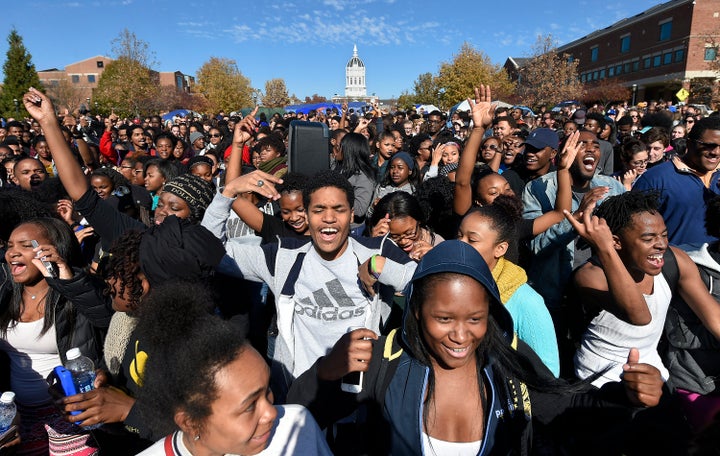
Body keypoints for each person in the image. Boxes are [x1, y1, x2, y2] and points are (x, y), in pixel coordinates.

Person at [288, 241, 677, 455]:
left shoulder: (507, 357)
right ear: (416, 311)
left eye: (474, 319)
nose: (461, 336)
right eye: (444, 319)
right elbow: (297, 418)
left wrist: (626, 398)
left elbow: (567, 408)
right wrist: (326, 371)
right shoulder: (382, 361)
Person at [201, 169, 416, 400]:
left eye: (338, 209)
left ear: (352, 215)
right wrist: (228, 192)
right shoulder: (283, 257)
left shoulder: (377, 250)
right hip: (299, 397)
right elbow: (209, 251)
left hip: (359, 402)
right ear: (308, 214)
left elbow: (426, 282)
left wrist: (378, 265)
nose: (329, 218)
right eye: (319, 210)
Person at [134, 283, 332, 456]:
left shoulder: (297, 425)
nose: (271, 413)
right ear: (190, 422)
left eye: (268, 390)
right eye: (250, 406)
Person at [566, 192, 720, 388]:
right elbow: (639, 316)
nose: (662, 244)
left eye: (664, 235)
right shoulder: (591, 276)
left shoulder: (676, 261)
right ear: (616, 241)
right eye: (648, 239)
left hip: (654, 377)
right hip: (599, 384)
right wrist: (605, 249)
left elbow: (715, 318)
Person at [0, 218, 112, 454]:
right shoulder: (4, 294)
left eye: (25, 245)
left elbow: (105, 318)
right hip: (17, 416)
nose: (13, 253)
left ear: (52, 250)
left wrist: (66, 279)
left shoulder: (78, 289)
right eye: (10, 246)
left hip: (70, 413)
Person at [633, 116, 720, 245]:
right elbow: (633, 231)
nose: (716, 152)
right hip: (673, 263)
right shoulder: (656, 178)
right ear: (689, 144)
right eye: (709, 146)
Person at [368, 191, 444, 261]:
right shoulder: (381, 242)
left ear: (419, 220)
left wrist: (434, 259)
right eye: (394, 237)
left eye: (409, 233)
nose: (404, 242)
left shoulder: (438, 245)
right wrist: (374, 244)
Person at [367, 152, 418, 220]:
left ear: (410, 171)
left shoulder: (413, 193)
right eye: (392, 167)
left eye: (400, 168)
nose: (395, 171)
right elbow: (368, 216)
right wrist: (373, 207)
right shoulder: (382, 187)